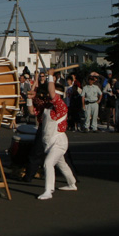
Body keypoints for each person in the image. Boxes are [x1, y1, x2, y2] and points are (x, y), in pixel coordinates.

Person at [37, 70, 77, 200]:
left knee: (48, 163)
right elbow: (32, 110)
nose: (48, 96)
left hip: (58, 142)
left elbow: (52, 92)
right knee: (62, 164)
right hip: (48, 142)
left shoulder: (61, 106)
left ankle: (48, 190)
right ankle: (72, 183)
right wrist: (30, 99)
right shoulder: (47, 107)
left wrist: (50, 76)